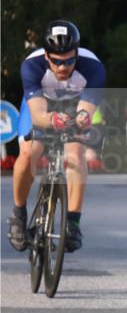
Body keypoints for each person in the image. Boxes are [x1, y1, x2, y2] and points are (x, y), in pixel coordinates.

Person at [7, 20, 105, 254]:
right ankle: (19, 215)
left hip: (73, 105)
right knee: (29, 152)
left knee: (75, 154)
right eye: (57, 62)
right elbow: (39, 115)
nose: (63, 67)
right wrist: (53, 120)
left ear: (77, 54)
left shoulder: (93, 68)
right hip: (42, 108)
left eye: (70, 61)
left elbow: (86, 111)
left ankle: (72, 222)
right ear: (47, 56)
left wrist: (80, 118)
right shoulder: (32, 66)